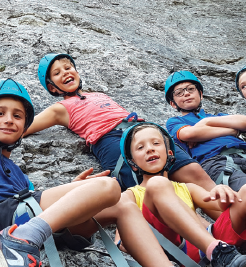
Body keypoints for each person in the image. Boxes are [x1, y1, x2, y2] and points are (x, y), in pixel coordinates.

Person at [0, 78, 175, 267]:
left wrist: (75, 189)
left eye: (17, 116)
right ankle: (18, 238)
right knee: (109, 186)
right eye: (0, 113)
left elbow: (35, 207)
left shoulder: (18, 174)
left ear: (24, 128)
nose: (9, 120)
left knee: (124, 205)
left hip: (26, 220)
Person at [21, 53, 214, 191]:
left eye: (68, 67)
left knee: (193, 171)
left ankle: (229, 218)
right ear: (52, 88)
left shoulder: (99, 94)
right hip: (108, 139)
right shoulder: (59, 109)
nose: (65, 72)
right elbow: (24, 128)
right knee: (137, 188)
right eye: (57, 73)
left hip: (139, 128)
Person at [119, 122, 246, 266]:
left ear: (170, 154)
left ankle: (221, 252)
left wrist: (222, 192)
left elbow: (222, 208)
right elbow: (122, 241)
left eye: (156, 143)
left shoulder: (188, 188)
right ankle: (216, 251)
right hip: (175, 252)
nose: (149, 149)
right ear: (133, 163)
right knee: (157, 183)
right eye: (140, 147)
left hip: (215, 245)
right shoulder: (129, 196)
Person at [165, 70, 246, 191]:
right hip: (216, 162)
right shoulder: (174, 122)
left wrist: (205, 123)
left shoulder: (219, 116)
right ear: (173, 103)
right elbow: (189, 133)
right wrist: (232, 131)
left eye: (190, 89)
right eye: (179, 93)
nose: (186, 94)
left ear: (201, 94)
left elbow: (244, 122)